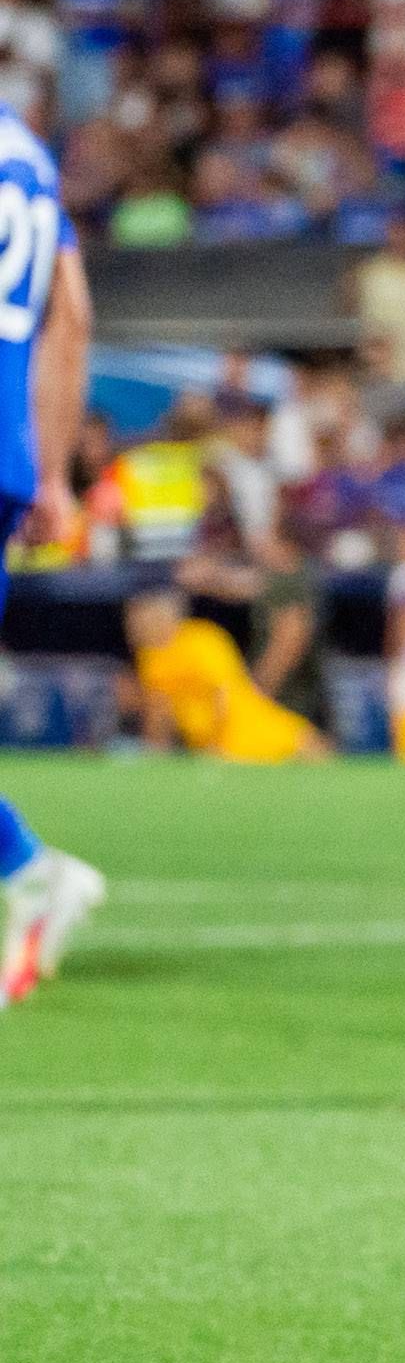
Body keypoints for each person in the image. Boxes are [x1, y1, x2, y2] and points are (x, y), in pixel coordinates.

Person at [0, 93, 103, 1003]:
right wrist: (54, 468)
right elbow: (70, 314)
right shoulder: (28, 154)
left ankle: (33, 873)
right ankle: (32, 874)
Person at [125, 588, 327, 760]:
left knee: (320, 758)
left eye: (140, 616)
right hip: (211, 749)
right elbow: (159, 708)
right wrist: (155, 755)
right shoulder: (149, 657)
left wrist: (216, 748)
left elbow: (223, 694)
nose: (133, 625)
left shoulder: (201, 638)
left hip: (252, 732)